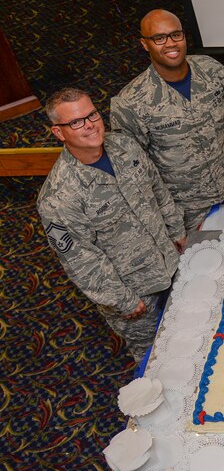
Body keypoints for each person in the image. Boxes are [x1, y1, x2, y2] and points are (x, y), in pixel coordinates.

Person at [38, 88, 185, 362]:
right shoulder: (58, 198)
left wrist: (176, 231)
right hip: (136, 295)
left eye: (91, 114)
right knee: (155, 358)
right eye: (75, 122)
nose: (89, 124)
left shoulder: (125, 146)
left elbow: (157, 188)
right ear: (59, 133)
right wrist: (123, 301)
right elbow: (82, 262)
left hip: (170, 262)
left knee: (190, 331)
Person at [111, 9, 224, 232]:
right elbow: (136, 172)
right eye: (159, 38)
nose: (170, 44)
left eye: (176, 35)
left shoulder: (213, 72)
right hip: (188, 211)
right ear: (145, 44)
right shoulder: (129, 103)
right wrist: (169, 225)